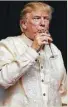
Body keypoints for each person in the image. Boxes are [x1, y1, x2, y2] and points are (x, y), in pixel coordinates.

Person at [0, 2, 67, 107]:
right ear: (23, 24)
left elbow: (63, 94)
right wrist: (33, 50)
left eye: (46, 18)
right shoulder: (8, 45)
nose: (42, 23)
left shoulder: (55, 51)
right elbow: (2, 80)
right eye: (36, 18)